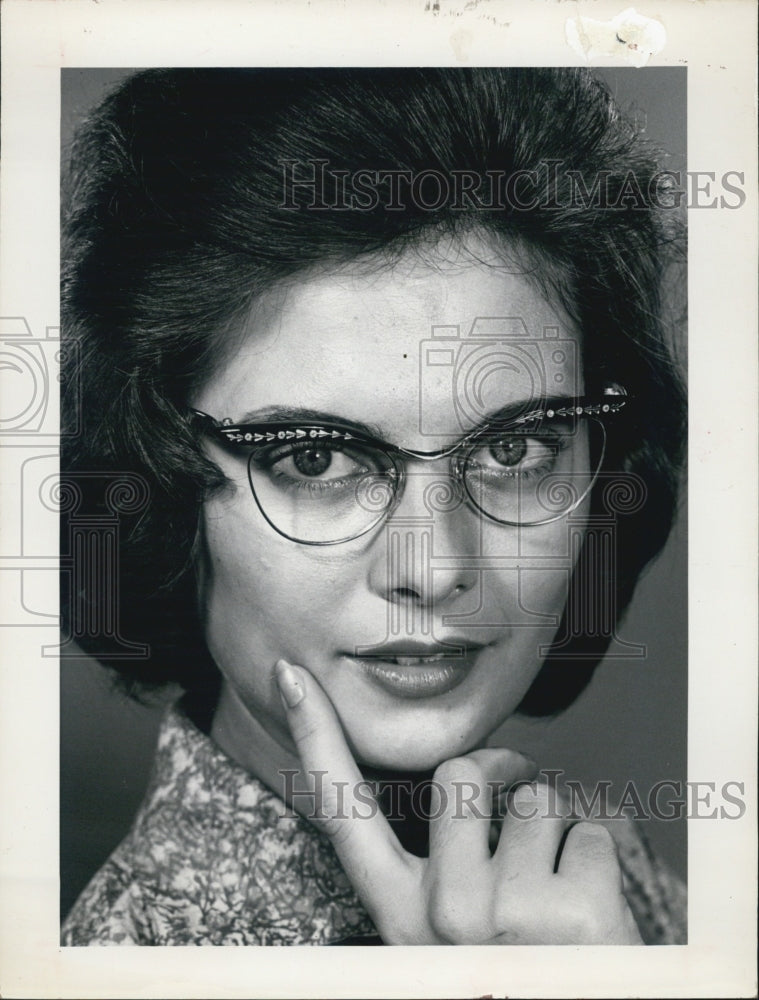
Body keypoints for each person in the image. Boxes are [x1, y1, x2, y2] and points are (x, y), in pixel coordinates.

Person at [60, 67, 686, 946]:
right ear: (157, 491)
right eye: (315, 459)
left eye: (513, 449)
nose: (433, 569)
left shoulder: (586, 862)